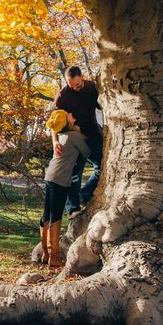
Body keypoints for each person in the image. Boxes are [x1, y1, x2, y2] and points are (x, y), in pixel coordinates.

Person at [40, 109, 90, 268]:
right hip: (60, 180)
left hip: (50, 176)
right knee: (55, 215)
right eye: (69, 115)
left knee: (46, 214)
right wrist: (79, 131)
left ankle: (45, 253)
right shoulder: (74, 136)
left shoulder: (61, 136)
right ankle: (54, 256)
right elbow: (87, 152)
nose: (72, 114)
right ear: (66, 122)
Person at [53, 66, 103, 217]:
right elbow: (54, 123)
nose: (75, 87)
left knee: (102, 169)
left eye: (78, 84)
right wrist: (55, 142)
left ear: (82, 77)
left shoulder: (92, 87)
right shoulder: (62, 96)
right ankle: (73, 209)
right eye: (71, 85)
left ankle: (84, 195)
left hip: (93, 134)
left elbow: (103, 105)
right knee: (73, 175)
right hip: (74, 137)